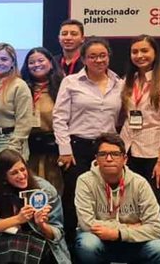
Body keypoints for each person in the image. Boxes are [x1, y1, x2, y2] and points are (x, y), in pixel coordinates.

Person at [53, 37, 123, 245]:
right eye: (92, 56)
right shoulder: (71, 82)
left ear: (108, 57)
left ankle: (101, 247)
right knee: (74, 199)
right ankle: (71, 251)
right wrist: (65, 149)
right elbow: (59, 117)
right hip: (77, 149)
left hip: (108, 149)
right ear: (83, 59)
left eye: (102, 55)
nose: (98, 60)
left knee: (106, 198)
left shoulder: (119, 83)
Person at [119, 35, 160, 242]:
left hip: (157, 157)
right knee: (133, 210)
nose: (139, 56)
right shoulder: (130, 81)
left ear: (155, 53)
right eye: (135, 52)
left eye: (144, 51)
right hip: (132, 153)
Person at [74, 134, 160, 264]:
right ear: (96, 159)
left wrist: (118, 233)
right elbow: (86, 224)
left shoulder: (139, 183)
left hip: (134, 242)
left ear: (125, 159)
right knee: (87, 244)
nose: (109, 159)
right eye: (103, 154)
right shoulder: (85, 181)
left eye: (115, 154)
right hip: (99, 240)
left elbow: (156, 227)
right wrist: (130, 227)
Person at [0, 149, 70, 264]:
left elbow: (58, 233)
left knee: (18, 249)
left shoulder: (45, 189)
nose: (21, 176)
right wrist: (17, 219)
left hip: (39, 242)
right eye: (14, 173)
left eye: (23, 169)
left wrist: (41, 224)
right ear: (3, 177)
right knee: (9, 246)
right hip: (5, 242)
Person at [0, 43, 34, 188]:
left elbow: (25, 122)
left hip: (9, 142)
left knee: (6, 187)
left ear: (12, 63)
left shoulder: (19, 86)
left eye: (4, 59)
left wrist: (13, 149)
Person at [21, 47, 65, 193]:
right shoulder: (22, 87)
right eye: (31, 62)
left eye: (41, 60)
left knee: (54, 189)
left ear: (51, 63)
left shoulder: (62, 86)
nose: (36, 65)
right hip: (29, 149)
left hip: (53, 150)